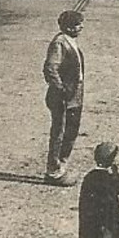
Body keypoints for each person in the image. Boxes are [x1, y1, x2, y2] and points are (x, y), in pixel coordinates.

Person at [42, 10, 86, 184]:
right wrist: (60, 89)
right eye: (77, 24)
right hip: (63, 96)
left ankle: (62, 166)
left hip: (74, 94)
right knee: (59, 133)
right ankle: (53, 171)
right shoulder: (59, 43)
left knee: (71, 131)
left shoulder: (70, 41)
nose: (81, 27)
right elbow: (50, 69)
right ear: (67, 27)